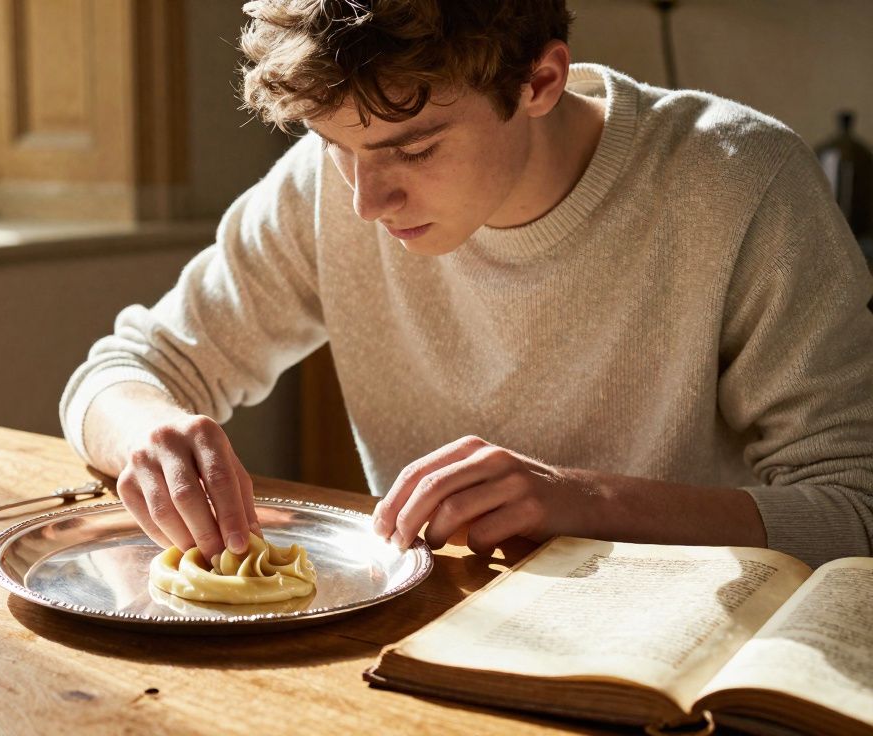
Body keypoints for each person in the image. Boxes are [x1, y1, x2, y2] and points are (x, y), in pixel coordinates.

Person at [59, 0, 873, 569]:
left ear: (540, 82)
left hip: (684, 664)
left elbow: (855, 509)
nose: (364, 202)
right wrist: (150, 434)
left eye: (414, 151)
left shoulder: (741, 182)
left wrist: (584, 501)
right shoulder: (325, 188)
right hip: (434, 642)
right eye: (335, 145)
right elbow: (119, 373)